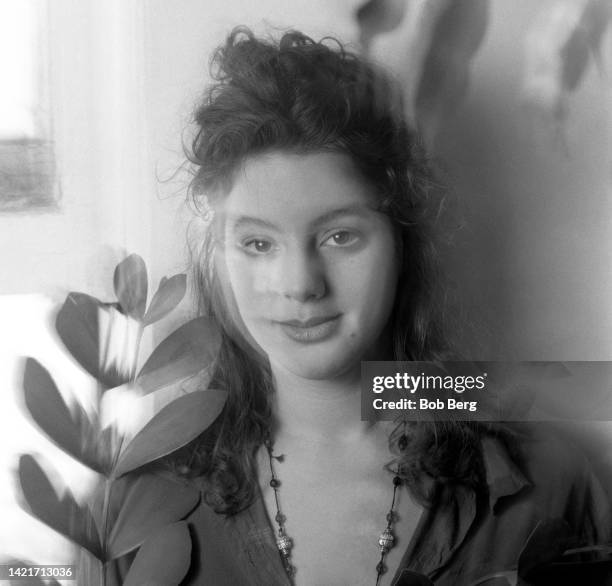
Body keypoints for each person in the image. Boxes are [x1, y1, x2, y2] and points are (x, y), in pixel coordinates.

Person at [173, 28, 610, 586]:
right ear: (218, 256)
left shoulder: (548, 483)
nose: (301, 285)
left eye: (340, 237)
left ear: (404, 241)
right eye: (258, 243)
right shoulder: (145, 503)